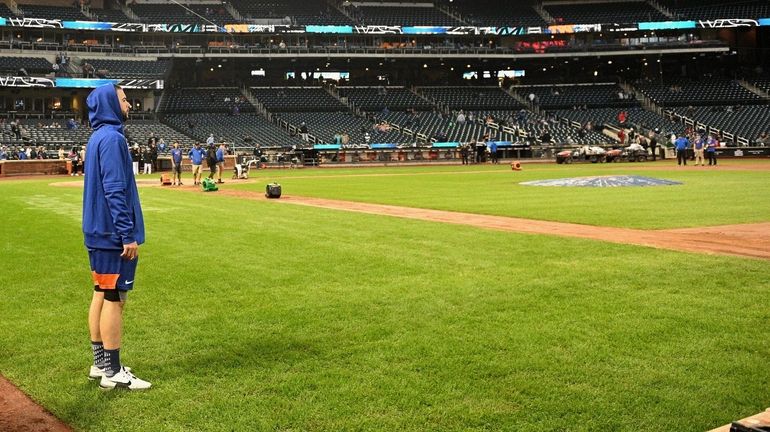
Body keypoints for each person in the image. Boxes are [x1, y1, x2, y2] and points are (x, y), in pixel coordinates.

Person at [82, 84, 151, 391]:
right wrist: (127, 234)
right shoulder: (113, 138)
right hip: (112, 234)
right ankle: (113, 371)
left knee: (100, 292)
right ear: (111, 103)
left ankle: (101, 364)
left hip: (97, 231)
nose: (129, 105)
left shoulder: (97, 136)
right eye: (124, 100)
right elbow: (114, 189)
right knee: (114, 298)